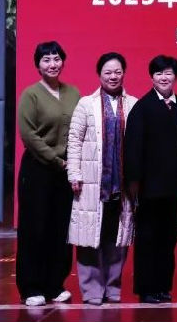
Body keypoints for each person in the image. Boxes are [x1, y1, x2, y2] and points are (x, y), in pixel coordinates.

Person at [66, 52, 138, 306]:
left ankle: (113, 288)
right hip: (91, 182)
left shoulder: (133, 104)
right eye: (108, 72)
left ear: (124, 73)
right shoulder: (86, 104)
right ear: (99, 75)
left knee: (117, 237)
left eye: (117, 71)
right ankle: (92, 290)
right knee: (89, 237)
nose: (113, 76)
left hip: (122, 183)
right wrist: (74, 173)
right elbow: (74, 140)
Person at [16, 41, 81, 307]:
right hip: (38, 169)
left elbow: (80, 128)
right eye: (46, 59)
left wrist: (72, 164)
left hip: (65, 171)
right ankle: (31, 287)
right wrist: (56, 160)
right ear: (38, 65)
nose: (52, 64)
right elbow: (29, 135)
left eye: (56, 58)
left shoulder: (73, 93)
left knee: (61, 228)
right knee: (35, 228)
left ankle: (55, 284)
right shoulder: (30, 95)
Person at [123, 55, 177, 304]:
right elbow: (132, 150)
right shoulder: (142, 107)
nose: (164, 77)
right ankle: (146, 288)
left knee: (169, 239)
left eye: (168, 73)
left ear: (175, 76)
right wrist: (134, 185)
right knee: (148, 239)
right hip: (149, 188)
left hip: (174, 187)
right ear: (151, 77)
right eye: (159, 73)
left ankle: (163, 286)